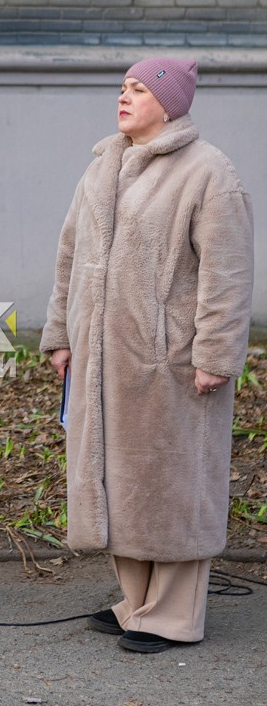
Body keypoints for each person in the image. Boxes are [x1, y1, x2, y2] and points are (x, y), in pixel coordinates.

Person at [41, 58, 253, 654]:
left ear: (171, 102)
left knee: (174, 479)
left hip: (173, 363)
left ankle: (174, 615)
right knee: (118, 476)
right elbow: (69, 256)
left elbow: (228, 272)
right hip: (105, 359)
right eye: (123, 86)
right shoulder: (102, 167)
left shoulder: (209, 172)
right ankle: (136, 602)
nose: (124, 95)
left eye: (139, 88)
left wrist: (214, 352)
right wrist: (61, 334)